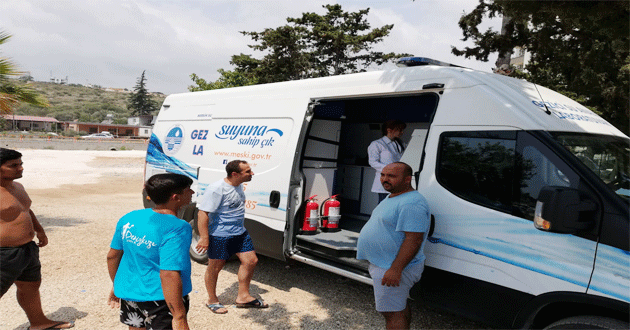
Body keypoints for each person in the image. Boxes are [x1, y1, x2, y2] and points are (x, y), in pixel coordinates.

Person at [107, 173, 194, 330]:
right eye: (189, 190)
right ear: (176, 197)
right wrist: (179, 315)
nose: (192, 193)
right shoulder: (178, 227)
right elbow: (168, 273)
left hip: (130, 294)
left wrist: (117, 286)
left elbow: (112, 256)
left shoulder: (130, 218)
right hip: (160, 298)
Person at [0, 148, 75, 330]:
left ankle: (38, 323)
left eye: (21, 164)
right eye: (14, 166)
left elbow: (25, 210)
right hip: (4, 253)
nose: (21, 169)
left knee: (30, 286)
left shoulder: (18, 187)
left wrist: (39, 230)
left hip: (27, 249)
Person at [356, 162, 430, 330]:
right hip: (386, 264)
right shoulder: (395, 196)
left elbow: (414, 239)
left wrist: (396, 269)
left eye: (391, 176)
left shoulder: (411, 203)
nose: (385, 179)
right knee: (397, 307)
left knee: (392, 313)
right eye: (383, 175)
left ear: (407, 179)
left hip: (393, 267)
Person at [195, 160, 268, 314]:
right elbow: (203, 213)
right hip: (220, 235)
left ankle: (243, 297)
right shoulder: (216, 189)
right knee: (215, 267)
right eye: (247, 172)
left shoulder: (238, 184)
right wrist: (204, 237)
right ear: (235, 174)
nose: (252, 174)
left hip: (240, 233)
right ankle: (212, 300)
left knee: (251, 261)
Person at [368, 120, 407, 203]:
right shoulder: (377, 144)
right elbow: (373, 162)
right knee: (384, 208)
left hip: (397, 182)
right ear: (389, 130)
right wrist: (390, 170)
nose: (402, 132)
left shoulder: (400, 144)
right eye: (399, 130)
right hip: (385, 182)